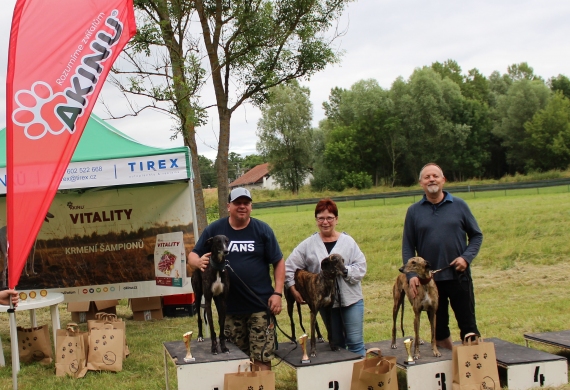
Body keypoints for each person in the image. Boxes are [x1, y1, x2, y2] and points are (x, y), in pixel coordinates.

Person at [188, 187, 284, 370]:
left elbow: (278, 261)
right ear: (228, 206)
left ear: (251, 206)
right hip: (229, 309)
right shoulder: (215, 229)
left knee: (262, 359)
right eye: (237, 203)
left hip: (259, 306)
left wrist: (278, 293)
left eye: (246, 203)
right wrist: (198, 262)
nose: (242, 207)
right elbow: (193, 255)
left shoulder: (262, 230)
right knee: (235, 362)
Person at [402, 163, 483, 349]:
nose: (432, 179)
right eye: (427, 177)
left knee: (469, 327)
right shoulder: (414, 211)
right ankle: (449, 369)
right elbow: (408, 247)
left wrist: (466, 257)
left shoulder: (460, 206)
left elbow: (477, 235)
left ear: (443, 180)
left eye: (435, 176)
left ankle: (473, 372)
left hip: (458, 277)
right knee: (439, 331)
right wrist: (412, 275)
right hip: (430, 282)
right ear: (421, 183)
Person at [285, 199, 367, 356]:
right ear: (316, 220)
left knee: (355, 342)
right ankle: (341, 377)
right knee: (336, 344)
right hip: (324, 301)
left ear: (336, 219)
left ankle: (359, 379)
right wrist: (293, 288)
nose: (325, 222)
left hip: (351, 299)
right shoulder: (308, 244)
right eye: (321, 218)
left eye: (329, 218)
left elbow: (361, 267)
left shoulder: (348, 242)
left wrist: (343, 271)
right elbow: (289, 266)